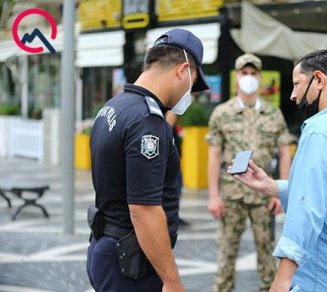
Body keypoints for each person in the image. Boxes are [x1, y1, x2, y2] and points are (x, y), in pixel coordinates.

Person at [233, 50, 327, 291]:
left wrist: (282, 279)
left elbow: (307, 210)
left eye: (297, 84)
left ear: (319, 79)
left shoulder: (321, 131)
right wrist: (272, 186)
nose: (293, 95)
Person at [86, 28, 209, 292]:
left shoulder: (114, 107)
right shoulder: (147, 122)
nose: (190, 93)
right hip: (129, 264)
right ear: (182, 71)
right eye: (193, 82)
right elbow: (143, 210)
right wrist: (172, 281)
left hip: (107, 247)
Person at [206, 53, 293, 292]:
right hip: (231, 195)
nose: (249, 77)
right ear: (236, 78)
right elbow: (214, 155)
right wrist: (214, 195)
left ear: (260, 77)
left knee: (268, 256)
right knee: (226, 254)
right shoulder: (222, 113)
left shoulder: (273, 113)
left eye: (253, 73)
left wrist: (279, 191)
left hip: (264, 196)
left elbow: (285, 151)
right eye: (244, 73)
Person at [165, 111, 189, 226]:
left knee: (177, 186)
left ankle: (174, 215)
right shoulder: (169, 109)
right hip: (169, 157)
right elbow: (167, 127)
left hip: (172, 155)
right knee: (175, 186)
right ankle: (171, 216)